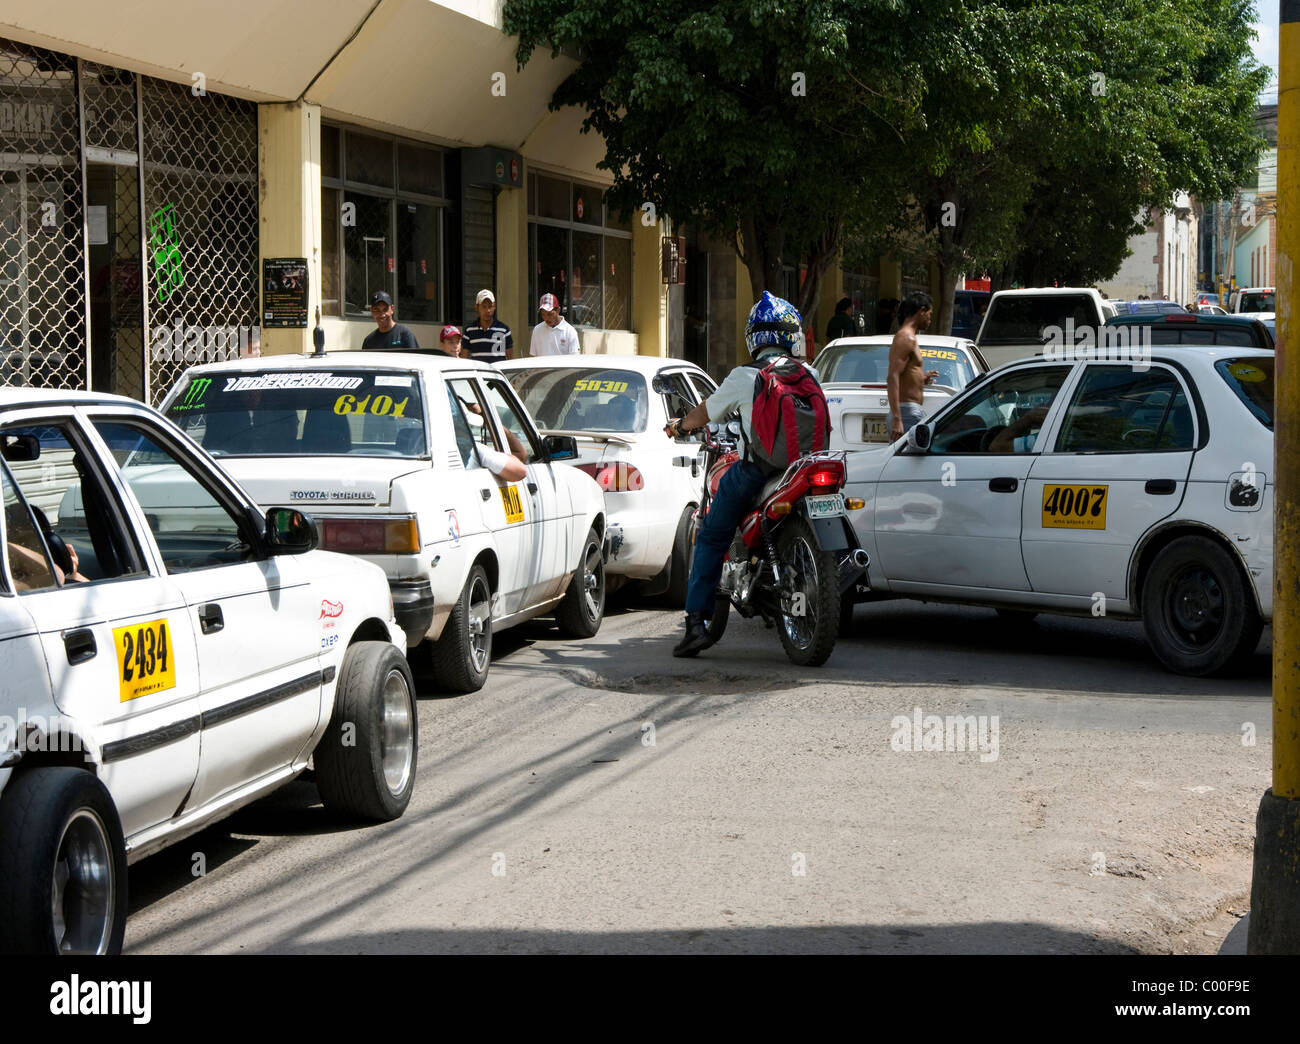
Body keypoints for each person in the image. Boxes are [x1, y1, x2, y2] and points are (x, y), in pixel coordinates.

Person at [664, 290, 813, 658]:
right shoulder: (808, 373)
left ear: (754, 337)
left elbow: (704, 414)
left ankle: (696, 623)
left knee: (712, 535)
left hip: (757, 473)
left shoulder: (743, 377)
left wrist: (681, 427)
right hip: (802, 470)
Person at [887, 291, 939, 440]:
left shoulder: (910, 337)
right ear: (922, 311)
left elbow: (903, 375)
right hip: (906, 413)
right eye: (929, 313)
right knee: (907, 462)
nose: (930, 319)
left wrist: (921, 379)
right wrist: (897, 419)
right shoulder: (905, 337)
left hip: (910, 411)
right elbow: (892, 377)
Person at [463, 289, 513, 363]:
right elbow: (464, 358)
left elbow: (510, 359)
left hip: (497, 373)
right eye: (484, 307)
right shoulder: (469, 331)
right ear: (477, 307)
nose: (488, 310)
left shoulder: (504, 330)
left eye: (490, 306)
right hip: (478, 373)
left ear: (494, 306)